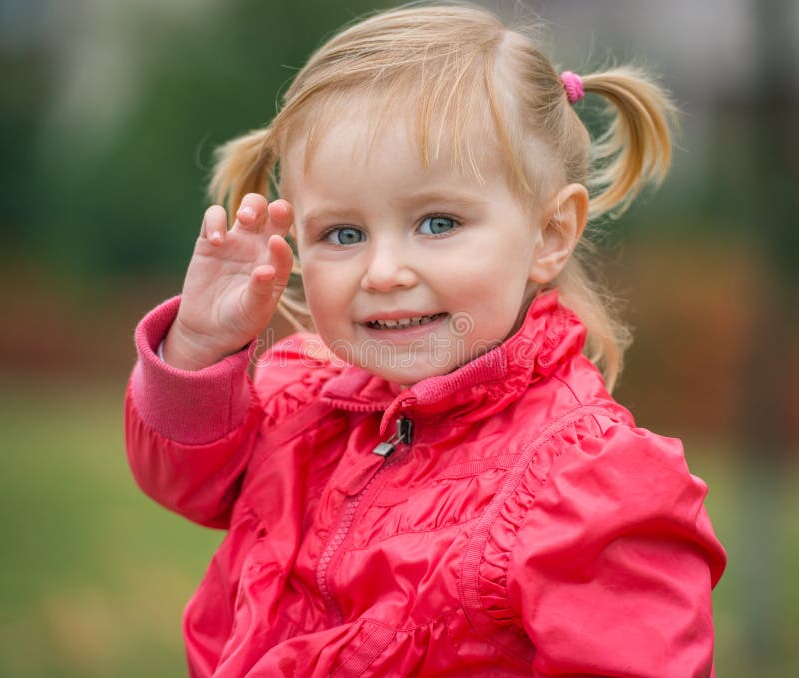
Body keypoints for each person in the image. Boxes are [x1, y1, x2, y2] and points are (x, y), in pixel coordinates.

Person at [124, 3, 726, 676]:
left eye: (437, 223)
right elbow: (183, 480)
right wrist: (200, 348)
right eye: (343, 235)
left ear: (550, 234)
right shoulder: (299, 400)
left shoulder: (589, 484)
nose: (383, 273)